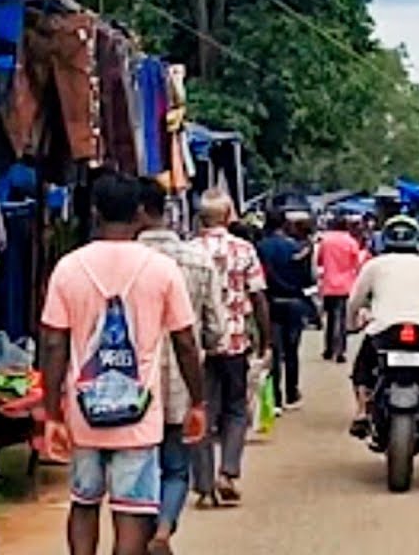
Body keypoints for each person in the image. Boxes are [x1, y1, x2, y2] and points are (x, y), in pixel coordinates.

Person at [40, 173, 207, 555]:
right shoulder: (162, 270)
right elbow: (184, 341)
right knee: (133, 509)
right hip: (139, 415)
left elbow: (53, 343)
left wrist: (51, 413)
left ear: (95, 212)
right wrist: (197, 402)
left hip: (83, 414)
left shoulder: (68, 268)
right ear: (140, 214)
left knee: (84, 501)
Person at [136, 181, 224, 555]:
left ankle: (138, 532)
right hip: (179, 385)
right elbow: (213, 330)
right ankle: (164, 530)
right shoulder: (197, 260)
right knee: (175, 467)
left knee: (137, 466)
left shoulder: (121, 260)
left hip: (128, 386)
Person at [192, 189, 270, 507]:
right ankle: (228, 472)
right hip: (236, 341)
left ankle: (205, 484)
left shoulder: (189, 251)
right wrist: (267, 341)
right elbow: (259, 296)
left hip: (196, 347)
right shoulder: (244, 249)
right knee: (236, 409)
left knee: (201, 411)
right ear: (227, 216)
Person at [346, 216, 419, 437]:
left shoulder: (373, 265)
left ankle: (360, 410)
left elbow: (354, 301)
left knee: (363, 367)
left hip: (382, 331)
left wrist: (351, 324)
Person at [257, 210, 312, 411]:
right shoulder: (295, 248)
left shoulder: (260, 248)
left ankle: (276, 398)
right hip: (294, 302)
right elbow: (307, 279)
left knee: (274, 350)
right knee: (292, 350)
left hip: (269, 303)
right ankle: (291, 393)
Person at [317, 218, 362, 363]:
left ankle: (329, 349)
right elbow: (357, 264)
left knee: (330, 318)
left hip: (329, 285)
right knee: (342, 319)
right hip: (346, 286)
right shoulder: (351, 242)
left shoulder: (325, 241)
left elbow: (319, 260)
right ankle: (340, 351)